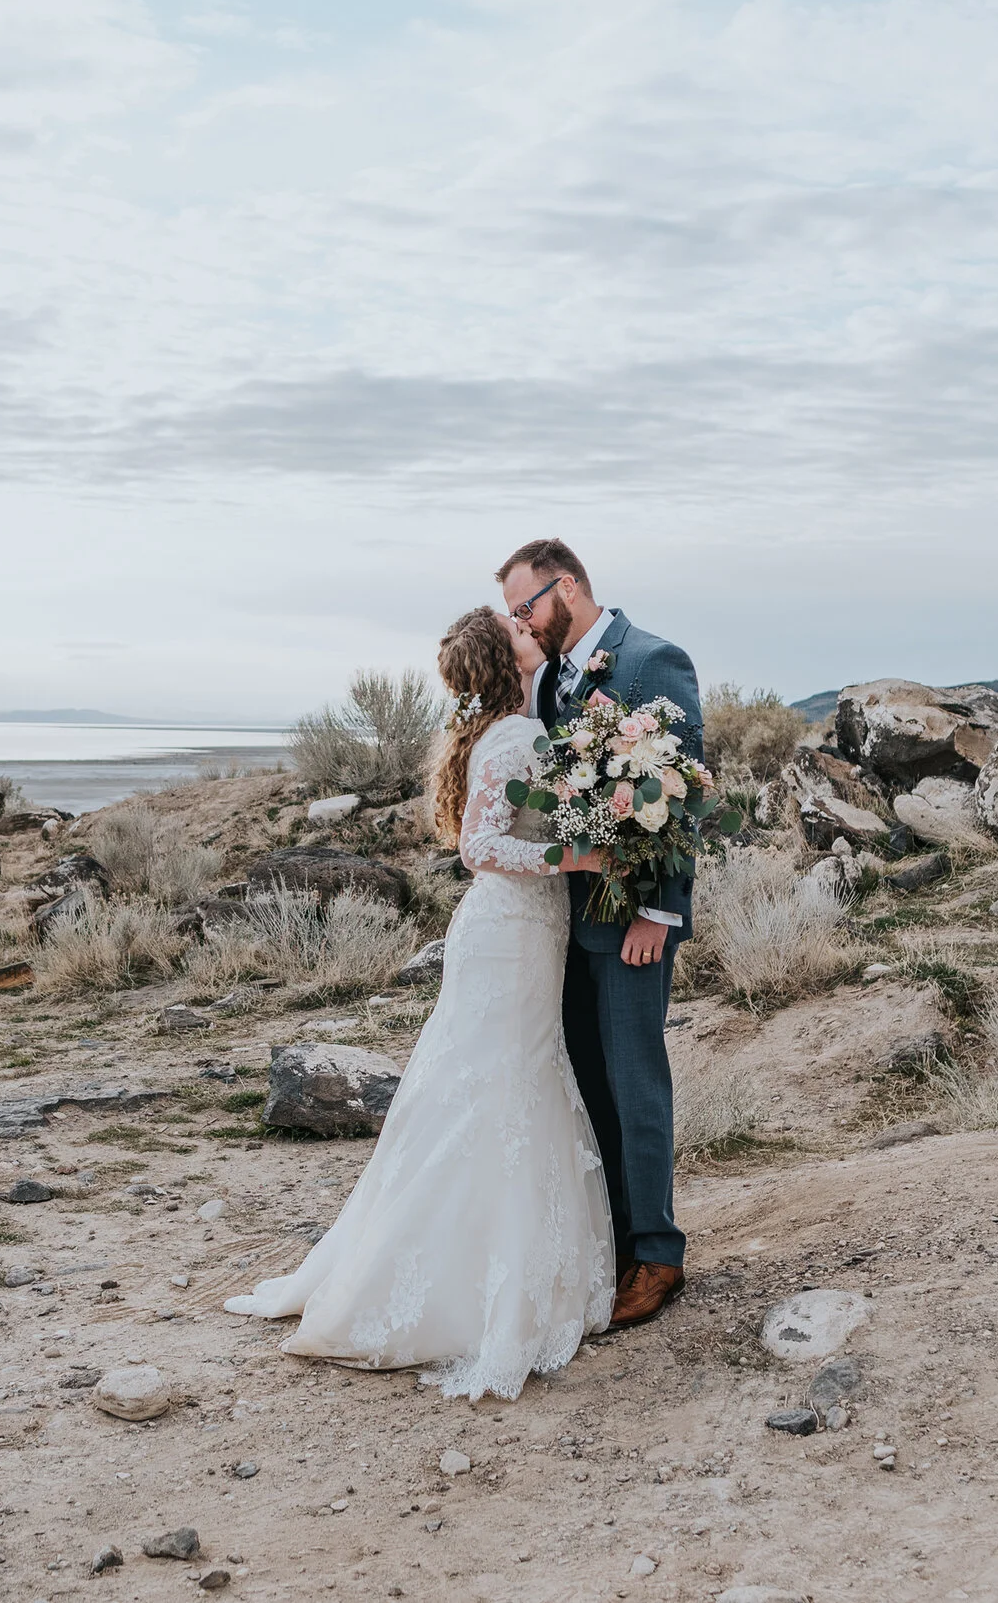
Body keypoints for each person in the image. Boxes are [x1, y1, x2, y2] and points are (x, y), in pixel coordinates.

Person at [222, 604, 615, 1399]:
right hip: (509, 937)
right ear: (503, 661)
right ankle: (465, 1289)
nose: (529, 628)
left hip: (522, 933)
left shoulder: (512, 730)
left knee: (498, 1087)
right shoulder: (514, 737)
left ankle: (483, 1265)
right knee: (498, 1091)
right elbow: (479, 846)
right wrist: (577, 855)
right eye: (515, 629)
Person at [495, 538, 701, 1330]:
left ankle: (658, 1254)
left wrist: (658, 911)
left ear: (569, 586)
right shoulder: (551, 678)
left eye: (526, 607)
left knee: (635, 1081)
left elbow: (682, 791)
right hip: (567, 918)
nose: (522, 622)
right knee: (588, 1085)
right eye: (514, 613)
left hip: (632, 919)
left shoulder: (652, 660)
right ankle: (613, 1244)